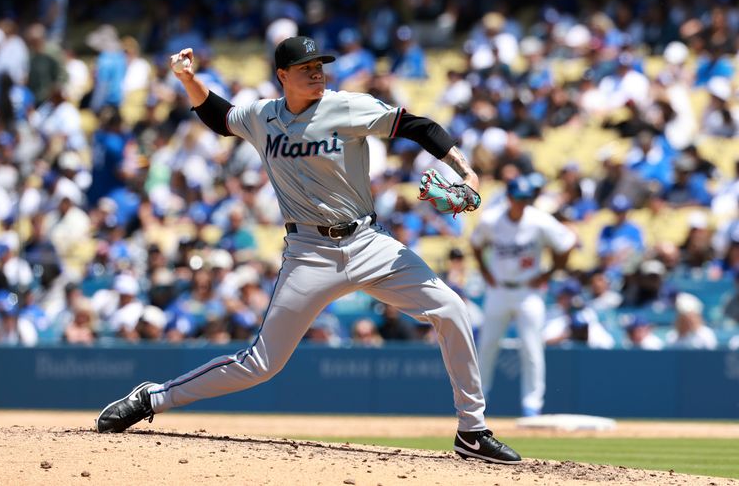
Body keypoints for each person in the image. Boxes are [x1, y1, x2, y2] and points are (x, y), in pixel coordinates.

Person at [96, 36, 520, 464]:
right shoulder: (263, 115)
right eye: (305, 67)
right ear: (282, 76)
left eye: (319, 64)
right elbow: (219, 117)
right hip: (308, 252)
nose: (317, 71)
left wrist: (466, 172)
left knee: (451, 309)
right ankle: (153, 398)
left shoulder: (346, 106)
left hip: (368, 242)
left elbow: (417, 126)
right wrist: (189, 79)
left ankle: (472, 430)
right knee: (262, 364)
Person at [471, 175, 576, 418]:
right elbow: (476, 244)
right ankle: (478, 403)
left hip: (528, 292)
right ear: (509, 197)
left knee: (531, 348)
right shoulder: (492, 219)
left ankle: (532, 405)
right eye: (518, 198)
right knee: (487, 346)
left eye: (527, 198)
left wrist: (549, 273)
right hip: (498, 289)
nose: (522, 202)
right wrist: (485, 271)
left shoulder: (539, 221)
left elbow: (567, 243)